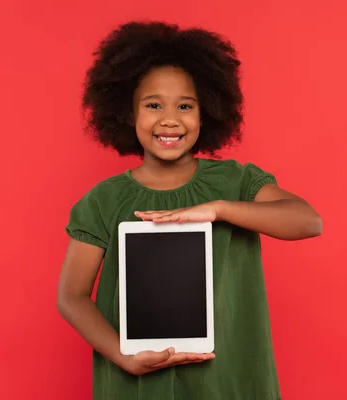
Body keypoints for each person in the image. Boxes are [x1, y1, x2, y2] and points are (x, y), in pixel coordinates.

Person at [56, 20, 323, 400]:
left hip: (225, 376)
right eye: (153, 105)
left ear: (207, 112)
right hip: (136, 380)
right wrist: (123, 356)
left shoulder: (236, 181)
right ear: (128, 113)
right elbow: (72, 296)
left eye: (185, 106)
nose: (169, 119)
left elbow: (308, 221)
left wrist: (219, 209)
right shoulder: (104, 200)